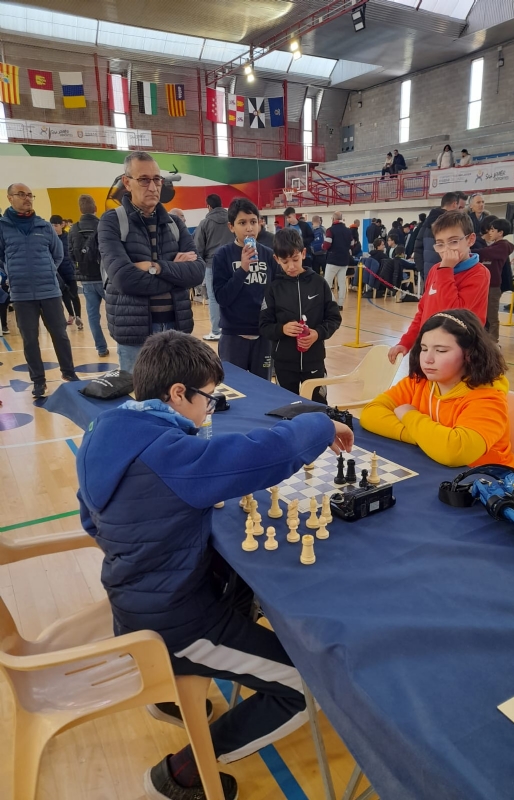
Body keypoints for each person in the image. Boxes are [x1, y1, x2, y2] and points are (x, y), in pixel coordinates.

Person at [76, 328, 354, 800]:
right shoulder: (170, 454)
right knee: (305, 687)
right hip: (177, 624)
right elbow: (265, 454)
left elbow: (91, 519)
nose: (210, 409)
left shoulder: (106, 429)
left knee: (239, 585)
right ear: (178, 392)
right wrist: (324, 423)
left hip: (133, 598)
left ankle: (172, 699)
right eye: (208, 397)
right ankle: (183, 774)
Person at [362, 309, 514, 469]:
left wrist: (409, 415)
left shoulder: (488, 398)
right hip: (433, 468)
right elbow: (370, 413)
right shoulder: (417, 382)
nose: (428, 359)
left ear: (469, 353)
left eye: (441, 350)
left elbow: (455, 451)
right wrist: (425, 438)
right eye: (424, 348)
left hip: (488, 484)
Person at [98, 151, 205, 374]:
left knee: (178, 398)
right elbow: (124, 279)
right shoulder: (112, 222)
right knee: (140, 401)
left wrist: (154, 267)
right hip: (135, 333)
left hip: (177, 329)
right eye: (144, 180)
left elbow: (196, 272)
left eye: (157, 179)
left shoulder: (174, 223)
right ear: (127, 182)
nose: (153, 187)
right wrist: (177, 274)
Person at [0, 183, 78, 398]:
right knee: (30, 340)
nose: (27, 198)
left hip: (49, 291)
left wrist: (48, 270)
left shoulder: (43, 226)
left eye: (29, 195)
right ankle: (38, 381)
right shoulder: (2, 227)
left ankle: (69, 374)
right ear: (9, 198)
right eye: (21, 194)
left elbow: (58, 254)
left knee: (60, 335)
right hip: (22, 294)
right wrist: (11, 273)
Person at [387, 211, 490, 364]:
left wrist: (446, 271)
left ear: (470, 240)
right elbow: (423, 312)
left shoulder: (479, 274)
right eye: (440, 244)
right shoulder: (437, 270)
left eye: (453, 241)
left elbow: (454, 316)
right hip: (428, 349)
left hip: (458, 356)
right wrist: (406, 342)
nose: (446, 250)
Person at [259, 228, 341, 402]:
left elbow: (334, 318)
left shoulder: (319, 283)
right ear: (276, 259)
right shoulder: (274, 288)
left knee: (318, 407)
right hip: (284, 363)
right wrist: (282, 329)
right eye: (285, 261)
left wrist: (317, 333)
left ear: (303, 253)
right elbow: (264, 326)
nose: (291, 266)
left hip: (315, 361)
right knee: (288, 407)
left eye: (295, 259)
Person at [212, 198, 278, 380]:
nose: (249, 228)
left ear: (259, 223)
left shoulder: (269, 255)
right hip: (234, 335)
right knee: (234, 389)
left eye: (253, 222)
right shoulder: (222, 255)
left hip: (263, 335)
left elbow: (278, 293)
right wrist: (242, 269)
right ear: (231, 227)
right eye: (242, 223)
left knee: (263, 388)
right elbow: (222, 297)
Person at [69, 194, 109, 357]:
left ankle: (101, 348)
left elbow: (70, 254)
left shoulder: (73, 228)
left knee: (93, 317)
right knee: (117, 312)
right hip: (105, 278)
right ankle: (122, 343)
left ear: (80, 209)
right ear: (95, 208)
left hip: (86, 280)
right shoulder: (103, 225)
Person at [193, 194, 233, 342]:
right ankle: (231, 328)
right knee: (233, 296)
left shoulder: (205, 223)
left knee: (214, 298)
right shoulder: (232, 220)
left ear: (208, 206)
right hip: (232, 264)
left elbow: (198, 247)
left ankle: (216, 331)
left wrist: (202, 264)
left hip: (212, 264)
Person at [476, 218, 514, 343]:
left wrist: (467, 252)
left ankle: (493, 341)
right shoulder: (496, 246)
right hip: (485, 285)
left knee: (491, 315)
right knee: (483, 314)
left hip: (493, 286)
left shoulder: (502, 246)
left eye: (493, 230)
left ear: (500, 232)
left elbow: (484, 252)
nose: (490, 232)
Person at [414, 192, 467, 280]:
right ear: (454, 204)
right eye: (460, 207)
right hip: (446, 276)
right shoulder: (450, 224)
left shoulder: (426, 223)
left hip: (431, 276)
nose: (461, 211)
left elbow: (417, 249)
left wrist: (424, 273)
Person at [50, 215, 83, 330]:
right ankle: (71, 314)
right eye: (52, 225)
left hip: (69, 270)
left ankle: (78, 316)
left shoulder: (68, 237)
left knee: (74, 294)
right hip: (58, 272)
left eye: (56, 225)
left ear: (61, 225)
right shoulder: (50, 239)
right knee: (64, 295)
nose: (54, 228)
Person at [322, 211, 353, 311]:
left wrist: (322, 246)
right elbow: (352, 243)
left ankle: (331, 302)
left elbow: (327, 244)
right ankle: (340, 304)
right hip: (344, 260)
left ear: (333, 219)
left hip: (333, 260)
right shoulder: (348, 231)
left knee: (327, 282)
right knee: (341, 282)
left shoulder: (330, 230)